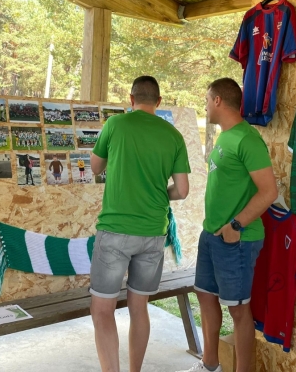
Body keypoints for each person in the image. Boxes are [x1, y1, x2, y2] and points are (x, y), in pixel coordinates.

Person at [90, 76, 191, 372]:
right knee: (139, 307)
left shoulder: (116, 125)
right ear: (158, 102)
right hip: (153, 235)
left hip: (115, 232)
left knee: (102, 310)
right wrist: (161, 192)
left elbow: (95, 167)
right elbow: (182, 191)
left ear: (130, 99)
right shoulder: (173, 135)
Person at [178, 78, 277, 372]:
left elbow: (269, 191)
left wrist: (236, 225)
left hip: (237, 239)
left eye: (207, 100)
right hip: (212, 235)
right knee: (205, 296)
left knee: (238, 309)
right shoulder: (225, 137)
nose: (205, 106)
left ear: (219, 100)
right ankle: (210, 365)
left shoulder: (247, 139)